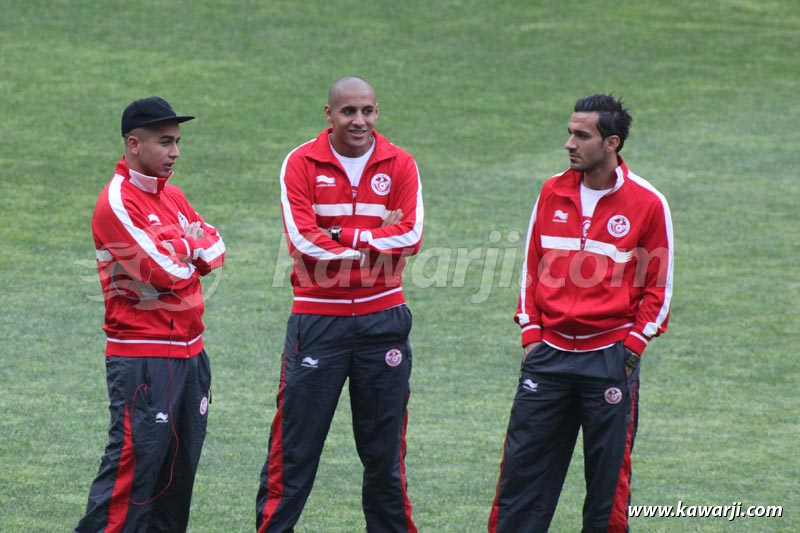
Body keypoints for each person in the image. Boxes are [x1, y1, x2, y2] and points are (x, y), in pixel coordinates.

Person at [488, 94, 673, 532]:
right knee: (520, 479)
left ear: (611, 143)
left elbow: (658, 288)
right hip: (548, 357)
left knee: (607, 490)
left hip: (608, 360)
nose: (569, 143)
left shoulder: (648, 203)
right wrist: (532, 335)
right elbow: (531, 269)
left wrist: (631, 348)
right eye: (569, 132)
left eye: (581, 135)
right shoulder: (551, 190)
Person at [256, 76, 423, 533]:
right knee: (294, 452)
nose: (359, 121)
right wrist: (374, 239)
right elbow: (304, 243)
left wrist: (340, 233)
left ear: (377, 112)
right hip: (318, 322)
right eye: (348, 111)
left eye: (367, 111)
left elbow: (411, 237)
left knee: (385, 456)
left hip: (383, 322)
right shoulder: (301, 163)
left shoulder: (402, 164)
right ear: (329, 114)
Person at [76, 96, 226, 532]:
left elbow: (217, 248)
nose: (175, 152)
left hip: (191, 357)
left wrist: (186, 248)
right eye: (165, 142)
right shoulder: (116, 203)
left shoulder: (174, 196)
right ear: (133, 144)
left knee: (175, 478)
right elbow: (164, 272)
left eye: (177, 142)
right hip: (143, 358)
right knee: (130, 474)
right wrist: (186, 246)